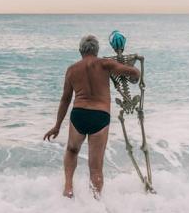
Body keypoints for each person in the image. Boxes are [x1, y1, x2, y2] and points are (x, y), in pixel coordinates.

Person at [43, 34, 140, 199]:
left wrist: (57, 126)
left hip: (79, 115)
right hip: (100, 116)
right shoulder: (105, 64)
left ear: (80, 50)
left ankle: (68, 189)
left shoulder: (72, 70)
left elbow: (65, 99)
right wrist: (131, 67)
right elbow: (135, 73)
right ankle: (95, 203)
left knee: (72, 151)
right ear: (97, 50)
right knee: (96, 167)